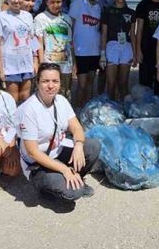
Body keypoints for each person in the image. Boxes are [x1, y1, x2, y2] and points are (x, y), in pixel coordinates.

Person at [17, 63, 101, 202]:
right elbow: (33, 152)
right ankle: (46, 187)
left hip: (58, 150)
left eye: (55, 81)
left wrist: (79, 145)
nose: (50, 86)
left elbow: (77, 128)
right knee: (74, 192)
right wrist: (64, 169)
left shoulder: (61, 101)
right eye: (45, 81)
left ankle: (75, 177)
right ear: (37, 83)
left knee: (93, 146)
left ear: (60, 82)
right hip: (38, 163)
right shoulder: (29, 110)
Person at [0, 0, 38, 103]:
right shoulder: (1, 17)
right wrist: (0, 68)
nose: (16, 0)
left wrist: (35, 61)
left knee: (25, 97)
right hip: (10, 65)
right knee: (12, 99)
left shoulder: (28, 16)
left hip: (27, 63)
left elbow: (32, 39)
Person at [34, 0, 76, 99]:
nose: (55, 5)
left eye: (58, 2)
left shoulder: (67, 19)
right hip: (50, 64)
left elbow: (70, 44)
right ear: (46, 2)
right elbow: (39, 44)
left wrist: (74, 65)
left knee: (65, 94)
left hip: (66, 65)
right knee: (50, 94)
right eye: (52, 2)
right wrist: (42, 65)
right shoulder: (40, 18)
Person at [69, 0, 102, 107]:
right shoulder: (77, 3)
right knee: (81, 84)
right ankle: (77, 109)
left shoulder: (99, 7)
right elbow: (70, 27)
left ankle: (88, 110)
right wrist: (71, 51)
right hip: (80, 51)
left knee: (90, 83)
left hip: (94, 51)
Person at [100, 0, 135, 101]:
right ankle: (111, 109)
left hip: (127, 46)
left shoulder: (131, 12)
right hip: (112, 46)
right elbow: (104, 33)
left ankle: (123, 108)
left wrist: (135, 53)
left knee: (124, 82)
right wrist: (103, 54)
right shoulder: (107, 11)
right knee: (111, 83)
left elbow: (133, 34)